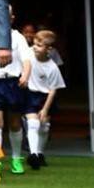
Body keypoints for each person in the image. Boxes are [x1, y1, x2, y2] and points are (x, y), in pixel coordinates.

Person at [0, 6, 31, 174]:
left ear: (12, 17)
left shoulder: (18, 37)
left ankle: (16, 158)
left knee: (14, 123)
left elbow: (27, 60)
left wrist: (25, 76)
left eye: (7, 14)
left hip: (13, 83)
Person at [24, 30, 65, 169]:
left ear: (49, 49)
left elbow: (53, 90)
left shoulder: (52, 68)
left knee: (44, 128)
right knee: (33, 124)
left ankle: (40, 153)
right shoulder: (28, 53)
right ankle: (33, 155)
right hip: (30, 94)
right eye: (35, 44)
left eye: (39, 45)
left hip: (45, 97)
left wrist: (45, 109)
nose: (35, 47)